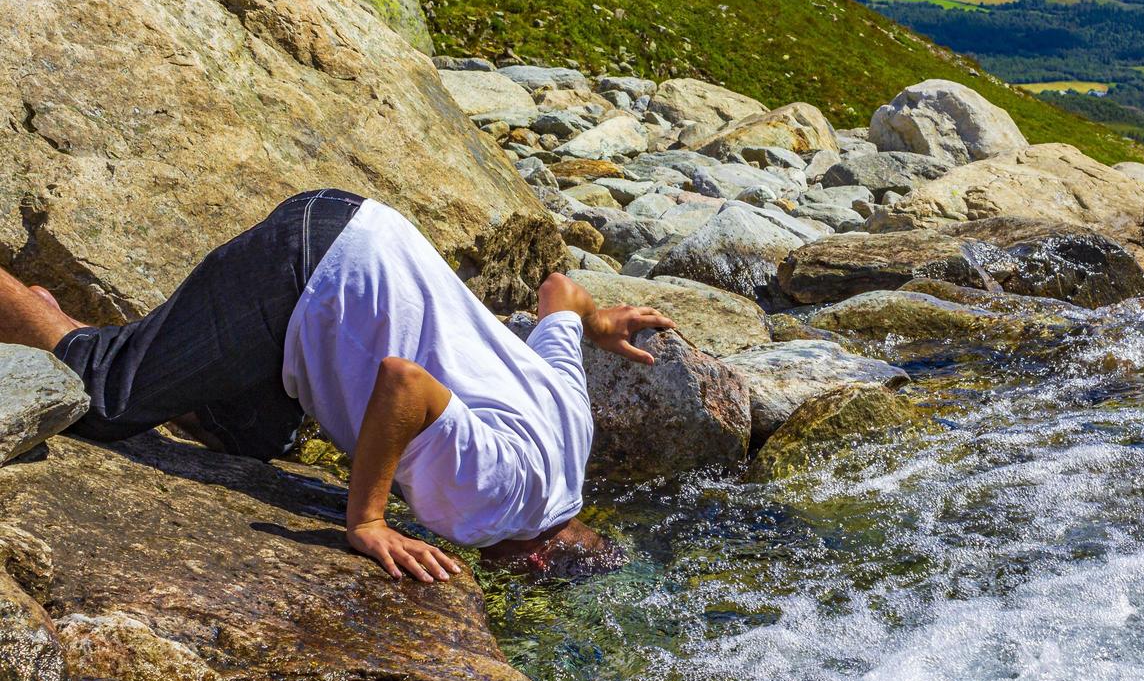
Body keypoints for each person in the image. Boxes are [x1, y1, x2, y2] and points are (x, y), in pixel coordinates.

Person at [0, 189, 674, 582]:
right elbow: (402, 384)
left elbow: (559, 290)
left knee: (253, 436)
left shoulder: (571, 444)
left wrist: (598, 320)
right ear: (535, 562)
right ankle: (71, 337)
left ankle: (65, 322)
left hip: (355, 231)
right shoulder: (489, 503)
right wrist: (367, 521)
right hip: (304, 272)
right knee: (100, 397)